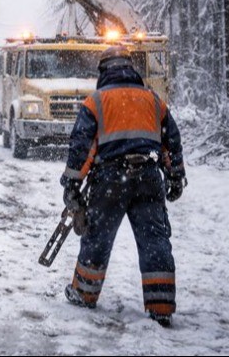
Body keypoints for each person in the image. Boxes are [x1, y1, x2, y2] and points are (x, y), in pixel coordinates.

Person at [59, 45, 186, 327]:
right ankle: (161, 304)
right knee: (155, 241)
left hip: (110, 181)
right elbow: (171, 142)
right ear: (131, 69)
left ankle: (84, 294)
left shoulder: (96, 102)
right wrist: (175, 176)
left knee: (98, 237)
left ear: (103, 70)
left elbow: (82, 148)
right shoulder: (154, 101)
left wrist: (72, 184)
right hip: (149, 177)